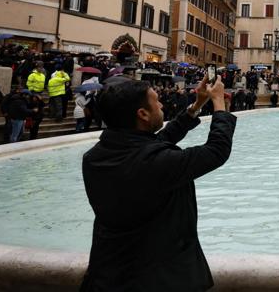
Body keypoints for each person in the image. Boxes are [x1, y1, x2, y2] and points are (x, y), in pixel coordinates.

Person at [80, 75, 235, 291]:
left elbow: (160, 140)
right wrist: (219, 104)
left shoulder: (94, 157)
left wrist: (197, 105)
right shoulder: (156, 162)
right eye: (156, 101)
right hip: (158, 280)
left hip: (106, 274)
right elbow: (216, 151)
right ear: (142, 114)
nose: (162, 104)